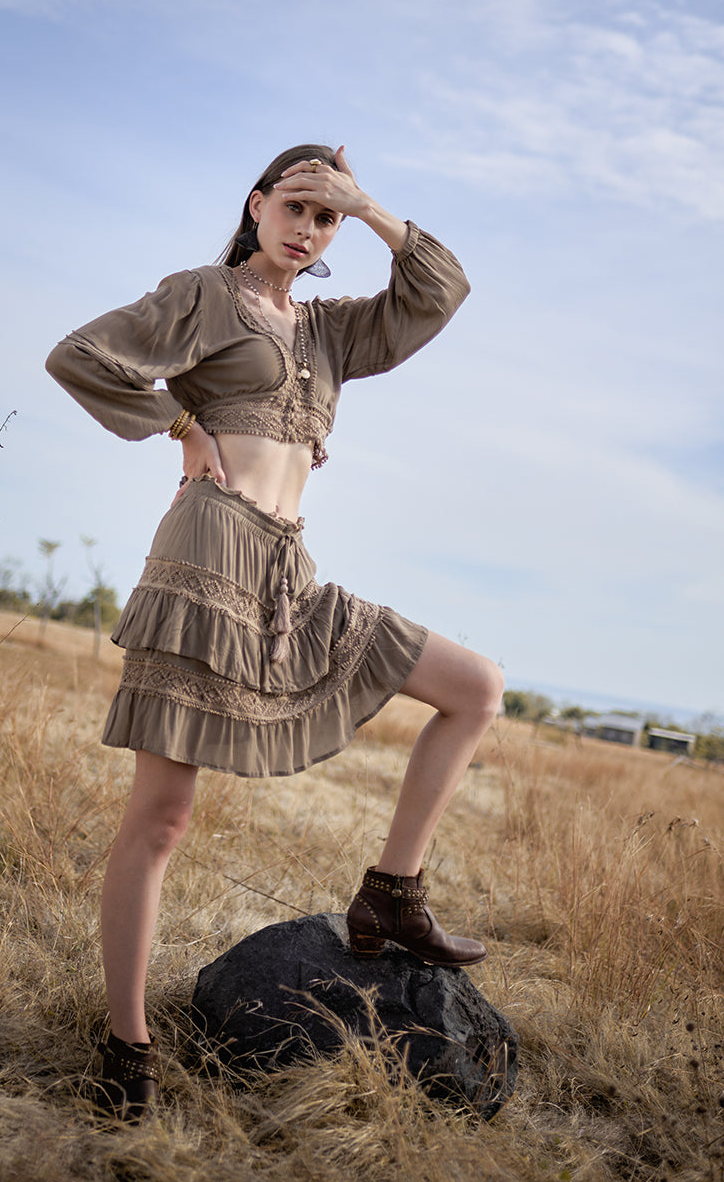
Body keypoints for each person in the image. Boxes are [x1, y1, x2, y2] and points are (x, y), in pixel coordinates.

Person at [45, 144, 504, 1119]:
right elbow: (79, 355)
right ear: (255, 206)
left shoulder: (335, 331)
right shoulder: (204, 295)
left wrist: (370, 206)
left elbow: (442, 289)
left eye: (324, 216)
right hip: (206, 559)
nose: (306, 227)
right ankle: (126, 1049)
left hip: (287, 577)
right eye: (295, 205)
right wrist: (182, 425)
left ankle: (392, 891)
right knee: (161, 819)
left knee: (474, 689)